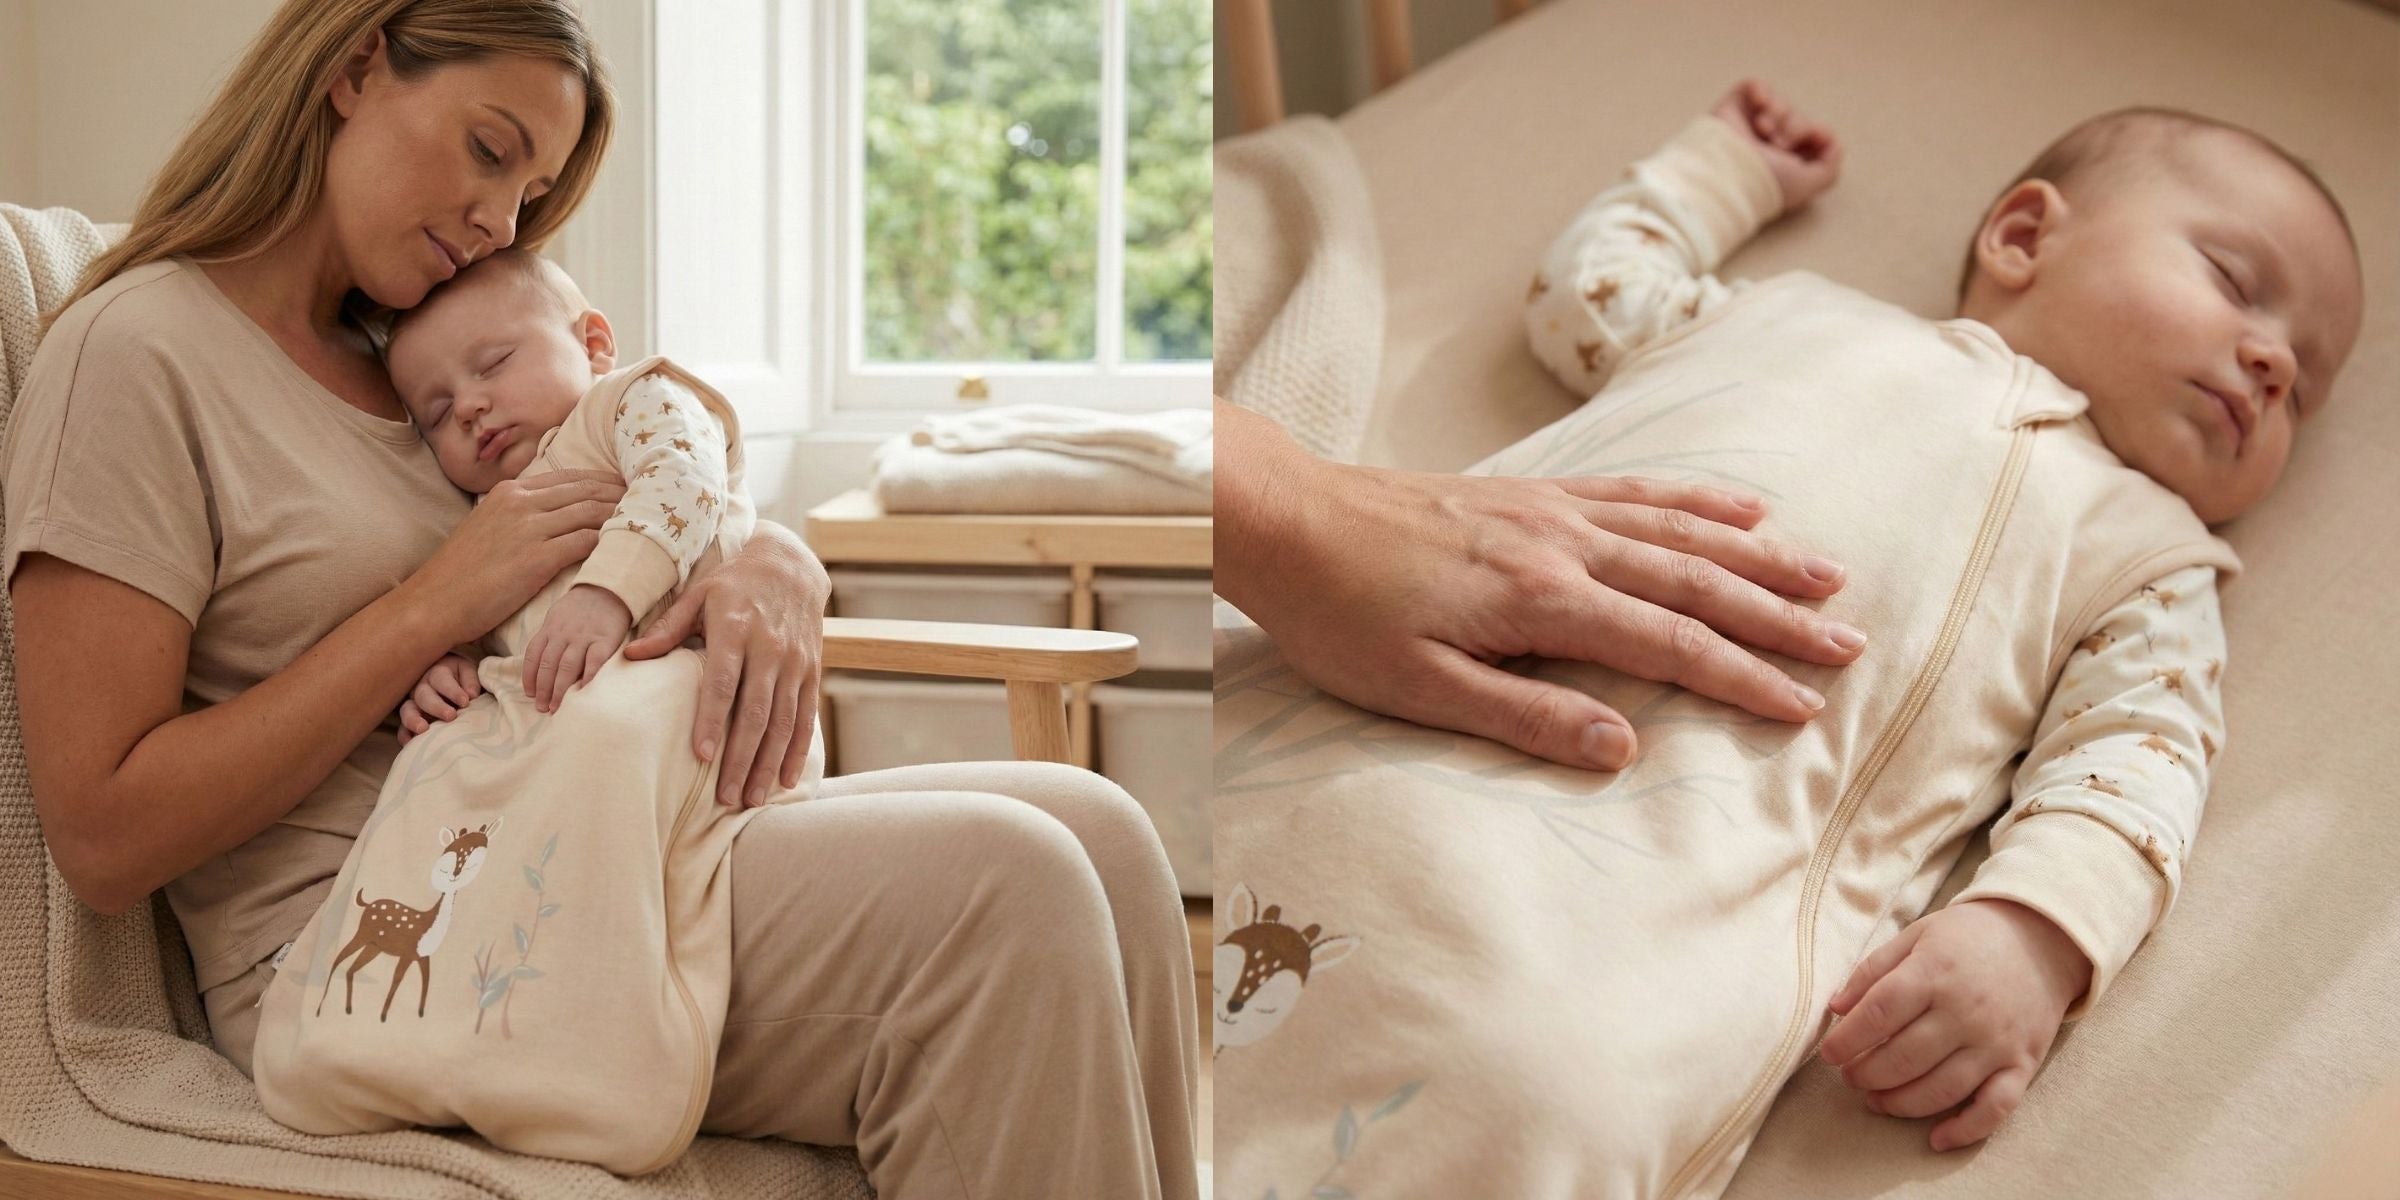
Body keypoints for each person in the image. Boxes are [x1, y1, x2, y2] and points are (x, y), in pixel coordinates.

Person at [1, 2, 1197, 1195]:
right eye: (489, 148)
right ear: (357, 67)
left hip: (592, 819)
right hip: (375, 926)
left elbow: (622, 480)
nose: (498, 220)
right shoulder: (135, 354)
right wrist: (427, 609)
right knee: (1009, 890)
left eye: (528, 193)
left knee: (1103, 834)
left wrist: (770, 558)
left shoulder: (417, 348)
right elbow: (102, 834)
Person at [1214, 78, 2359, 1199]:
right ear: (2023, 236)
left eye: (2303, 389)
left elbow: (2134, 772)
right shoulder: (1787, 315)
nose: (2273, 363)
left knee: (1554, 1095)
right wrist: (1722, 173)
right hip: (1392, 720)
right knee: (1196, 864)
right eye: (2233, 282)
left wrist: (2034, 936)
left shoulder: (2148, 555)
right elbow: (1591, 295)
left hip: (1645, 921)